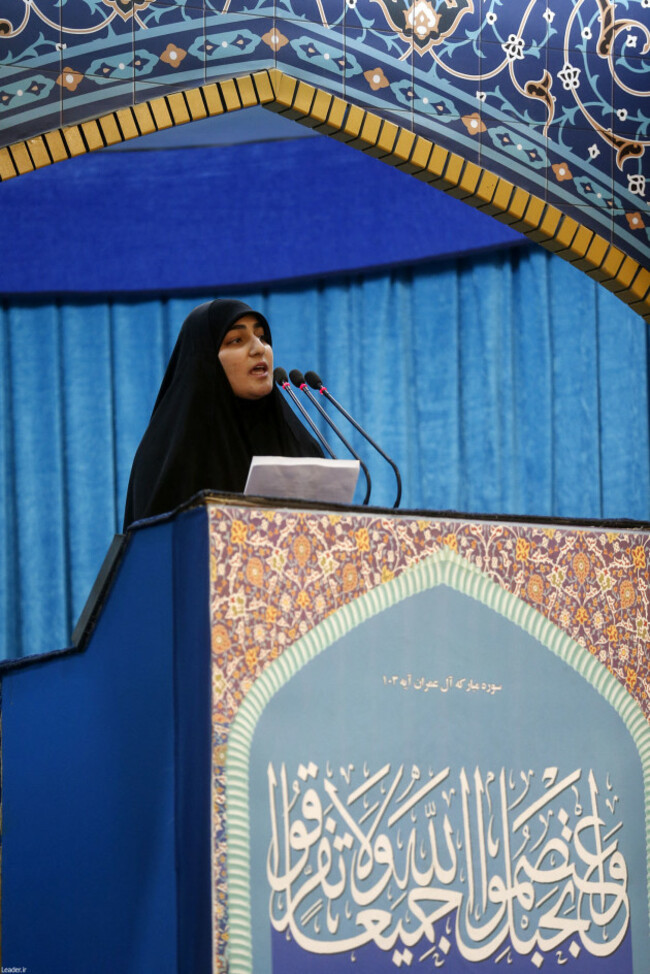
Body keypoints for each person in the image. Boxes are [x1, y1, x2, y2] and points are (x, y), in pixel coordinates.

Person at [123, 298, 323, 528]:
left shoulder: (300, 444)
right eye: (236, 340)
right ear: (204, 360)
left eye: (263, 337)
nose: (259, 348)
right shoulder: (171, 455)